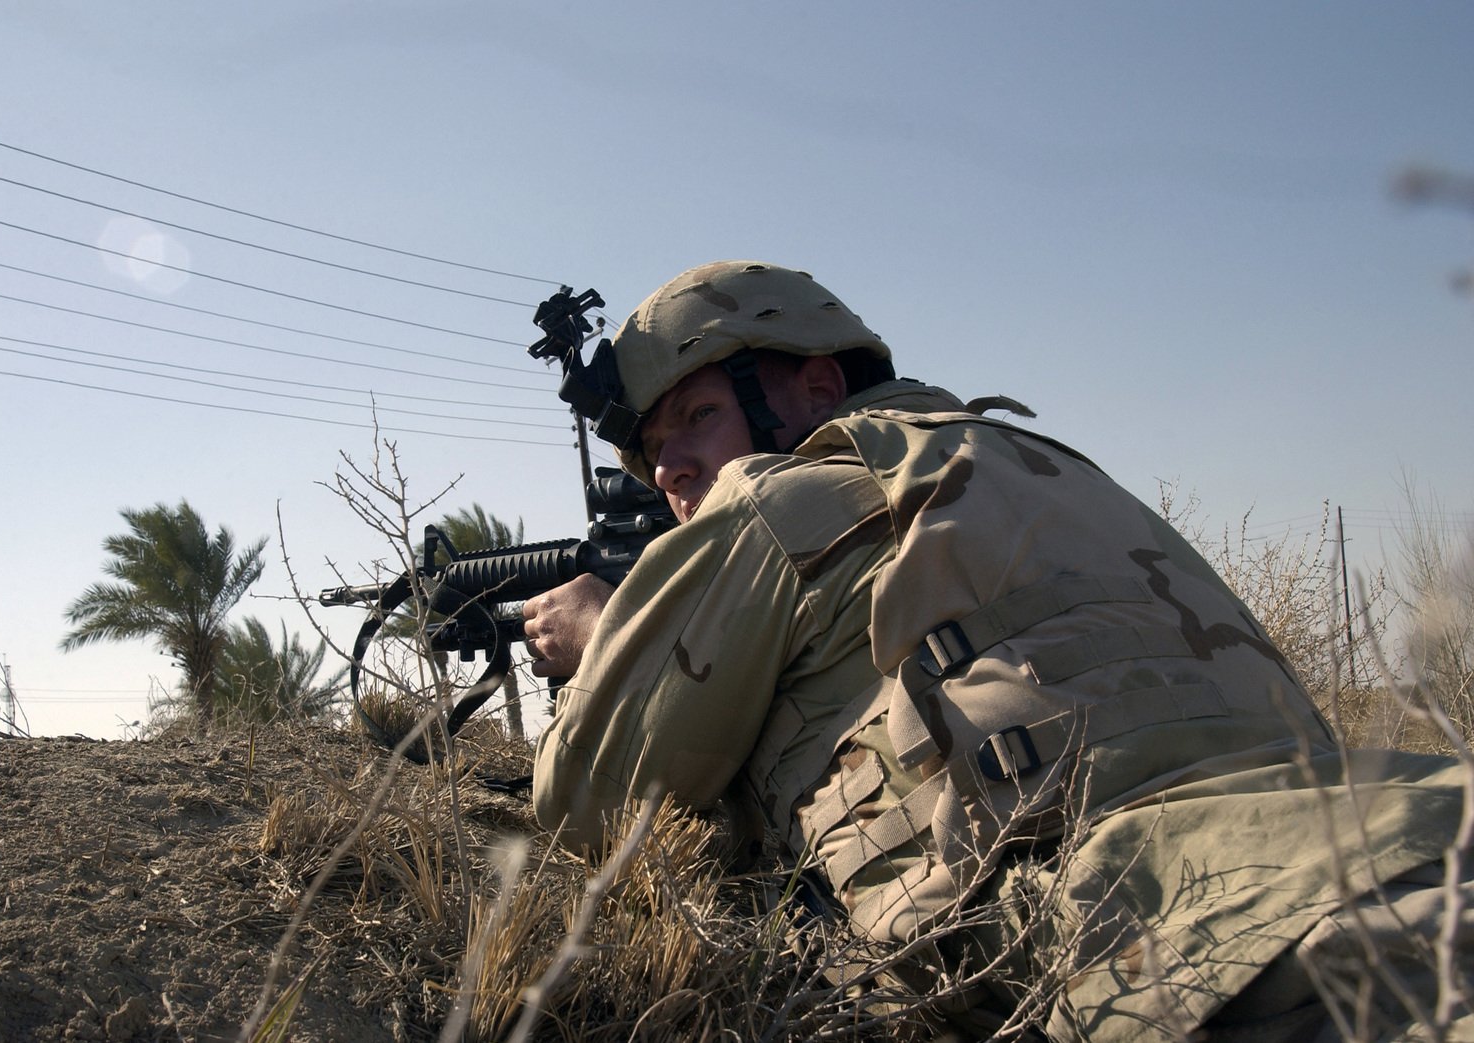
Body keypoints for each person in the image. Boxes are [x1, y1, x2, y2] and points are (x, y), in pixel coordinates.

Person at [521, 260, 1471, 1040]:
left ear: (817, 389)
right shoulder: (1047, 465)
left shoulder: (775, 499)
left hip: (1194, 935)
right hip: (1401, 821)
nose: (672, 466)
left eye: (696, 417)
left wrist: (604, 640)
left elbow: (588, 805)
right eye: (650, 450)